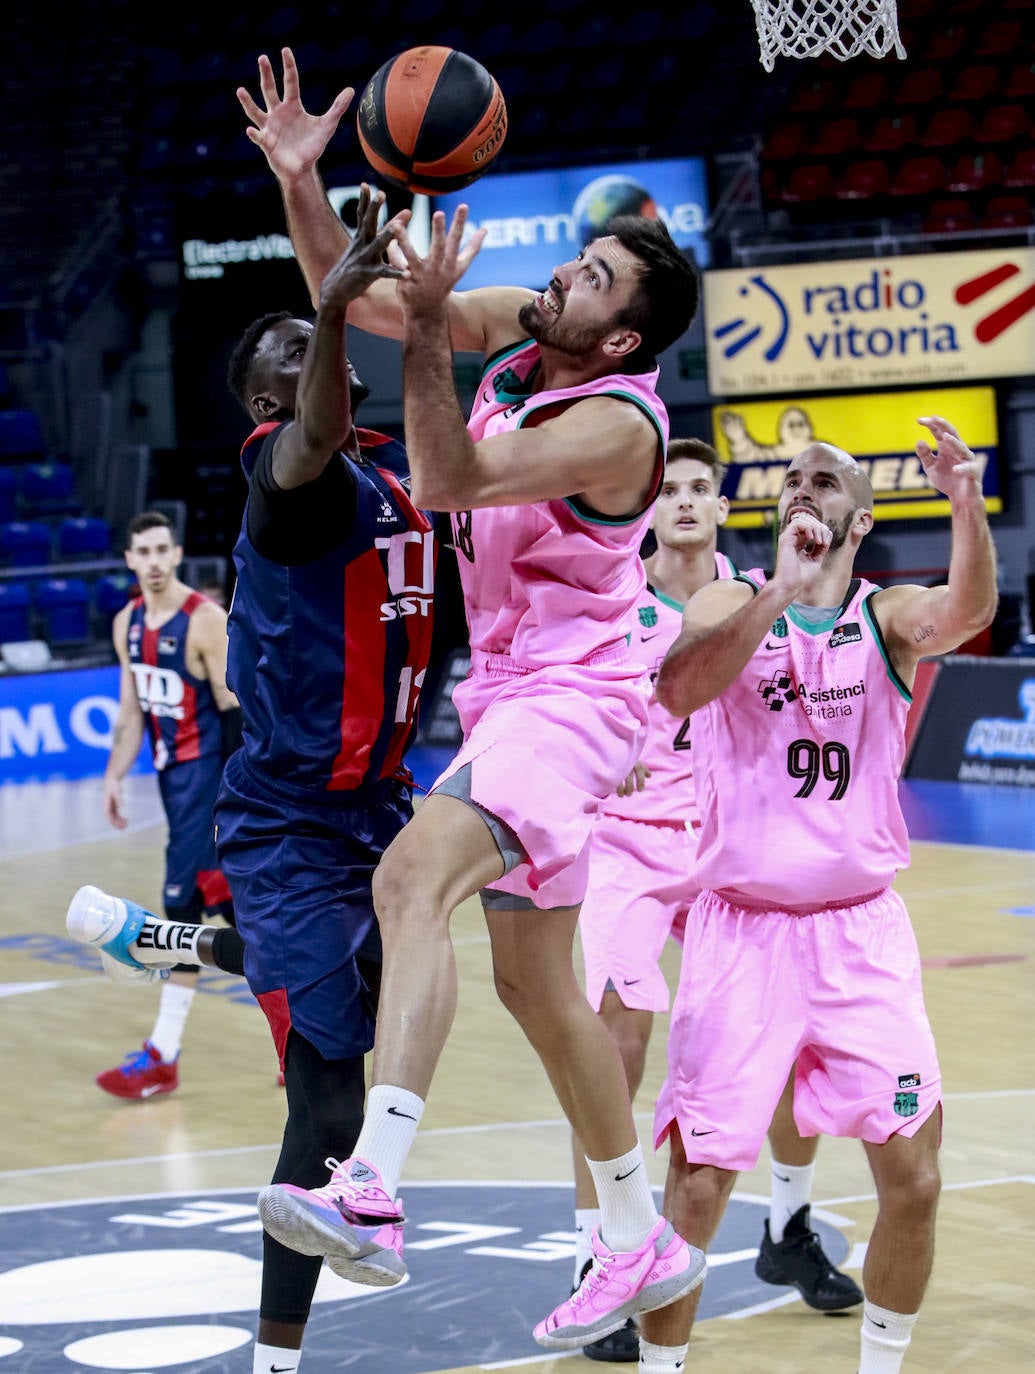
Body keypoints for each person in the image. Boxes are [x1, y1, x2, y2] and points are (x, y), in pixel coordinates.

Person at [238, 47, 706, 1351]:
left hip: (576, 701)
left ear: (618, 334)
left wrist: (439, 327)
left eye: (592, 279)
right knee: (533, 985)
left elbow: (443, 476)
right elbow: (366, 298)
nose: (563, 275)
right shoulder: (522, 325)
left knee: (409, 878)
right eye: (573, 264)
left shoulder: (617, 425)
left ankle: (375, 1186)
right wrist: (301, 179)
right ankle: (634, 1235)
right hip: (507, 696)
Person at [67, 188, 434, 1374]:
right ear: (276, 400)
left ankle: (183, 946)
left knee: (374, 1017)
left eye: (311, 324)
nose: (312, 332)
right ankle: (274, 1362)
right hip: (289, 822)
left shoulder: (401, 476)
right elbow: (312, 432)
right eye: (295, 341)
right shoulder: (290, 483)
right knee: (327, 1108)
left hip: (388, 804)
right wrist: (333, 305)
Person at [637, 418, 997, 1374]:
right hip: (740, 936)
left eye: (826, 482)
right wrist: (782, 594)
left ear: (860, 517)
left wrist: (964, 501)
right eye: (793, 479)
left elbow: (964, 611)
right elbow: (679, 687)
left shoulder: (885, 619)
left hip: (860, 939)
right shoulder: (731, 596)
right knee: (700, 1185)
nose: (804, 489)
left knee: (913, 1181)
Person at [568, 439, 861, 1361]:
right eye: (672, 490)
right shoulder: (608, 598)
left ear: (724, 508)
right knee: (612, 1045)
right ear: (647, 508)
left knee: (781, 1047)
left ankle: (786, 1227)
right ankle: (603, 1260)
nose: (686, 501)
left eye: (702, 488)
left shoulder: (760, 593)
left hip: (728, 845)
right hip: (623, 846)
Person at [90, 509, 239, 1099]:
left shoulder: (204, 620)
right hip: (175, 794)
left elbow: (239, 714)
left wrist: (235, 800)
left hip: (211, 795)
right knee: (236, 919)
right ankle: (300, 1039)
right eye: (141, 552)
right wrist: (113, 777)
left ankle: (162, 1056)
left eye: (161, 550)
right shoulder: (128, 623)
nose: (152, 561)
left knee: (175, 920)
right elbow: (131, 713)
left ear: (176, 554)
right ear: (129, 560)